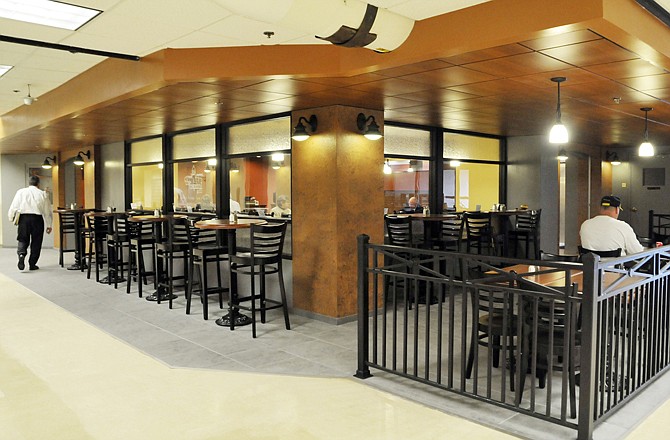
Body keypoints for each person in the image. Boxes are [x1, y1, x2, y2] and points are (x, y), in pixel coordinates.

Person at [7, 175, 53, 271]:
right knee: (36, 241)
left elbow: (14, 206)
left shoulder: (20, 192)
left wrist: (11, 217)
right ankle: (32, 264)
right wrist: (49, 225)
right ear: (38, 184)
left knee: (23, 238)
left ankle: (21, 254)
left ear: (29, 183)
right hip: (37, 219)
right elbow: (47, 211)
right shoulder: (42, 194)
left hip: (24, 219)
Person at [579, 195, 644, 256]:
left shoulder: (585, 224)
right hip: (613, 267)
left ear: (600, 208)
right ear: (617, 210)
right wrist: (653, 250)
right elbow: (638, 252)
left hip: (590, 267)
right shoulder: (623, 227)